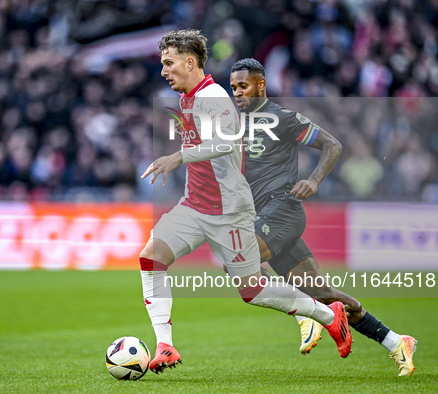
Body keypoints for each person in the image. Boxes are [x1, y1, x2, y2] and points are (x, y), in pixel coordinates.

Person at [139, 29, 352, 375]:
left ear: (189, 62)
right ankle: (166, 345)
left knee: (253, 290)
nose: (163, 71)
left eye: (169, 63)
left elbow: (226, 141)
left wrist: (179, 155)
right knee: (151, 258)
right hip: (194, 206)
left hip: (229, 212)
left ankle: (329, 314)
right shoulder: (187, 99)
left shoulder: (214, 97)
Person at [229, 58, 417, 376]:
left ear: (260, 84)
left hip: (283, 209)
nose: (237, 93)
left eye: (243, 86)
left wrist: (314, 180)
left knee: (238, 260)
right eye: (233, 87)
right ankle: (396, 341)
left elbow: (332, 144)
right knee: (326, 295)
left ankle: (305, 315)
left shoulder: (283, 118)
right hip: (263, 217)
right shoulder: (235, 125)